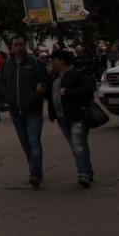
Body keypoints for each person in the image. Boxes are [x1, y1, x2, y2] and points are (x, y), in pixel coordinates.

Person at [1, 36, 48, 188]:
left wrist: (37, 95)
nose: (19, 47)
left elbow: (44, 82)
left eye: (21, 44)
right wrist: (7, 96)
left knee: (34, 140)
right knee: (25, 143)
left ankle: (34, 173)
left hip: (33, 109)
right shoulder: (8, 64)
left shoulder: (34, 63)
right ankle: (35, 169)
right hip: (16, 110)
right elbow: (0, 81)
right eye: (16, 45)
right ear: (12, 47)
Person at [47, 49, 96, 188]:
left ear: (61, 60)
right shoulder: (55, 77)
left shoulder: (76, 73)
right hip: (62, 117)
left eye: (53, 59)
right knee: (76, 146)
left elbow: (88, 90)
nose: (51, 62)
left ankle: (83, 174)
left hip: (77, 115)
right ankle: (87, 171)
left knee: (78, 144)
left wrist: (68, 92)